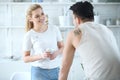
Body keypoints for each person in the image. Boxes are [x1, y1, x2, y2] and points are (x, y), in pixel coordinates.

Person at [59, 1, 120, 80]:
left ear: (77, 19)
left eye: (73, 19)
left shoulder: (75, 33)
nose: (73, 22)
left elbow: (64, 66)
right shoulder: (106, 29)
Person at [23, 4, 64, 80]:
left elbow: (62, 47)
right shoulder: (29, 35)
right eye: (37, 16)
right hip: (38, 72)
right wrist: (41, 56)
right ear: (30, 19)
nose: (41, 17)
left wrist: (56, 53)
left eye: (42, 14)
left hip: (56, 70)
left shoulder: (54, 29)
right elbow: (25, 58)